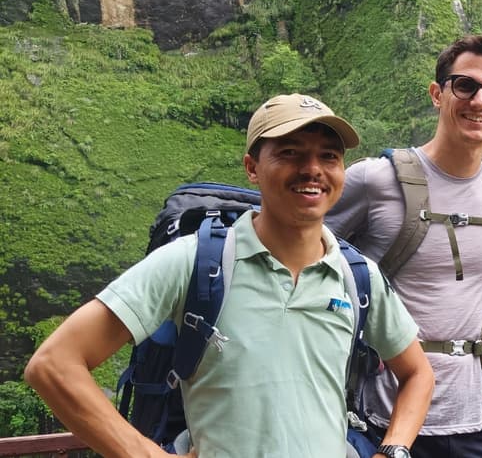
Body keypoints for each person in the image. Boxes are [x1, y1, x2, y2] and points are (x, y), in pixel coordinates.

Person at [24, 93, 434, 458]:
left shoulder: (356, 276)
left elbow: (417, 373)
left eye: (329, 156)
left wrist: (393, 449)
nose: (313, 169)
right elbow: (53, 364)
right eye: (290, 153)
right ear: (252, 168)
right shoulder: (193, 262)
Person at [326, 34, 482, 458]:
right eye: (465, 86)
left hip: (474, 421)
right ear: (438, 93)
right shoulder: (374, 181)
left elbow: (476, 303)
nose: (480, 101)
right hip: (385, 423)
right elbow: (299, 261)